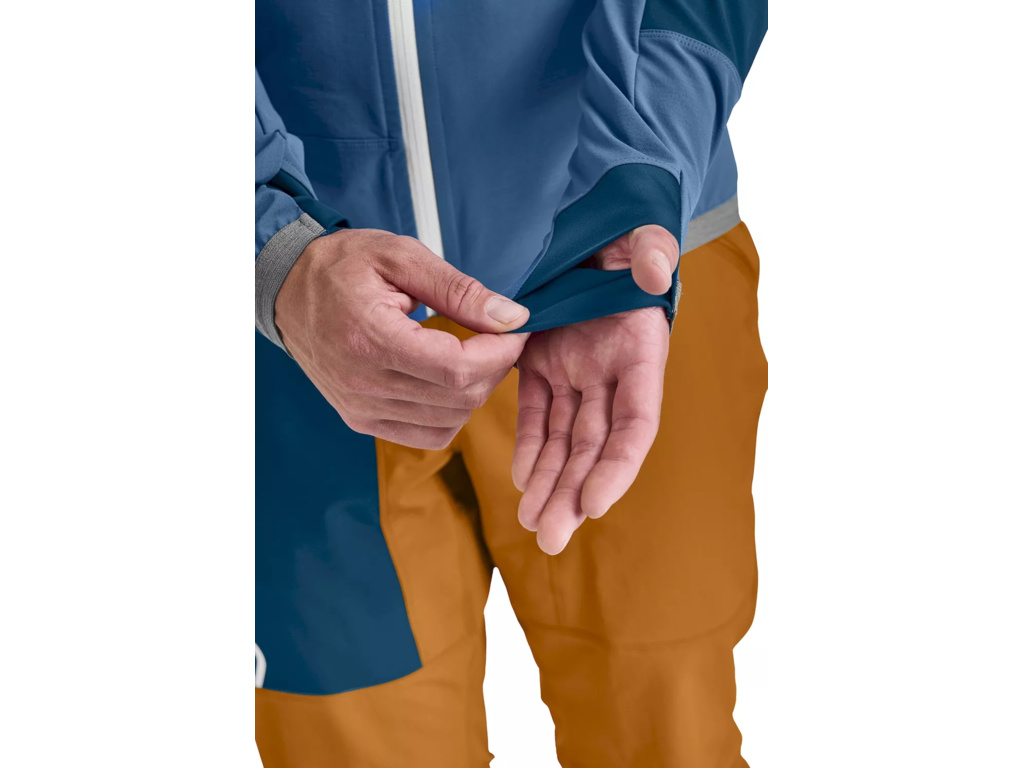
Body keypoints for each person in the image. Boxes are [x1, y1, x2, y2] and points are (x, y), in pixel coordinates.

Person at [255, 1, 768, 765]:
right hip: (299, 317)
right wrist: (269, 243)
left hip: (632, 280)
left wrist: (637, 176)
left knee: (664, 730)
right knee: (350, 738)